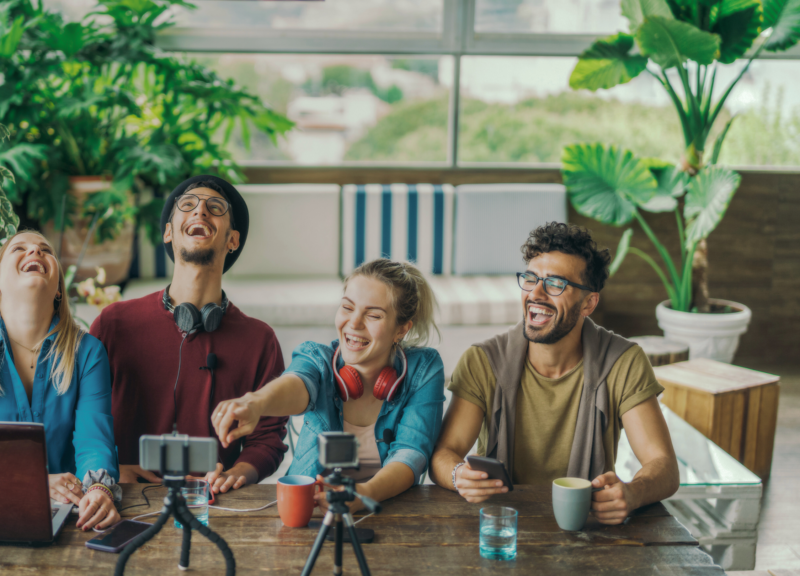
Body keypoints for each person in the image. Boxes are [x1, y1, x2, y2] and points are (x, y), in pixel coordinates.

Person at [430, 222, 678, 524]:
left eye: (555, 284)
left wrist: (632, 493)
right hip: (502, 525)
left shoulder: (623, 362)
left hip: (587, 528)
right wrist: (459, 475)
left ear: (588, 302)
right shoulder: (483, 361)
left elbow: (663, 465)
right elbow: (445, 452)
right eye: (530, 278)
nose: (536, 293)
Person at [91, 175, 287, 493]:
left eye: (215, 207)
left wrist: (238, 473)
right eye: (187, 204)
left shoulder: (259, 340)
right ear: (169, 232)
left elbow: (268, 438)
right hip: (122, 499)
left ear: (233, 240)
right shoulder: (113, 323)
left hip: (211, 503)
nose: (200, 211)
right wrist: (109, 470)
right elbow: (82, 416)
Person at [212, 259, 445, 514]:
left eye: (374, 315)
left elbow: (411, 454)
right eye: (347, 307)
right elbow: (297, 382)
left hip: (391, 516)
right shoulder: (317, 358)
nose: (354, 323)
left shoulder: (424, 369)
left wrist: (364, 494)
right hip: (308, 513)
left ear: (401, 329)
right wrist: (256, 402)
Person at [0, 231, 121, 532]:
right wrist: (33, 482)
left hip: (71, 519)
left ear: (59, 290)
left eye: (44, 250)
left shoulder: (88, 352)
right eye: (20, 249)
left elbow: (94, 439)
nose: (35, 252)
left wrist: (99, 490)